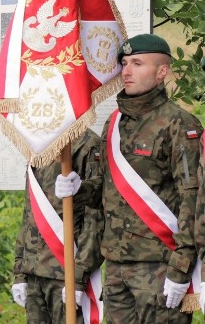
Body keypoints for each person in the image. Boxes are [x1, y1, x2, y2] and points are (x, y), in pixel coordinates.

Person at [56, 33, 203, 323]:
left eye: (137, 63)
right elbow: (103, 194)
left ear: (161, 72)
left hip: (160, 267)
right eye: (124, 63)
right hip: (117, 268)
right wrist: (77, 189)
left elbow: (194, 201)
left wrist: (181, 267)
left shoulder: (179, 124)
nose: (126, 71)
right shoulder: (114, 123)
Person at [12, 129, 103, 323]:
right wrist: (20, 271)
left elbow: (95, 219)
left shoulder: (87, 144)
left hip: (66, 273)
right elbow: (30, 213)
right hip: (34, 272)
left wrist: (78, 277)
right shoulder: (38, 145)